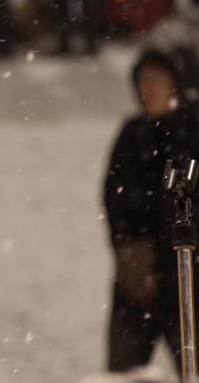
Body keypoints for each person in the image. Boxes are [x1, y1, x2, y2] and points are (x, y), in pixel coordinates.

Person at [103, 46, 199, 374]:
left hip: (187, 273)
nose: (148, 87)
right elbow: (114, 200)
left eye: (157, 78)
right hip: (137, 276)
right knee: (122, 371)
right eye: (143, 79)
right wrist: (129, 251)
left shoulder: (192, 128)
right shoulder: (132, 134)